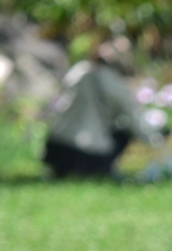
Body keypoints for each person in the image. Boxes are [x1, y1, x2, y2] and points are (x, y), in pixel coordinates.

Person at [43, 40, 159, 179]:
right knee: (123, 133)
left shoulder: (78, 70)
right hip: (88, 152)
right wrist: (157, 141)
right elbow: (134, 123)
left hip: (57, 145)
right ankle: (103, 168)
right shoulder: (116, 85)